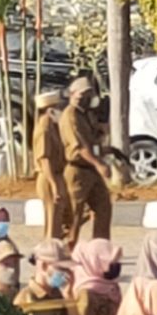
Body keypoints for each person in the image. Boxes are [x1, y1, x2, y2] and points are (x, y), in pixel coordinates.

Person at [61, 78, 115, 244]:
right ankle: (66, 250)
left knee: (103, 206)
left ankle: (99, 249)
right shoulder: (70, 115)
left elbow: (92, 142)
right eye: (82, 94)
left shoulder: (86, 114)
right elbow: (79, 147)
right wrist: (99, 164)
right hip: (78, 170)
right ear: (72, 94)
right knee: (75, 216)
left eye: (88, 93)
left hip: (91, 169)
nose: (86, 97)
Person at [15, 237, 77, 315]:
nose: (66, 274)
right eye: (60, 268)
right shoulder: (26, 298)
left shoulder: (59, 294)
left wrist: (69, 296)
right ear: (43, 266)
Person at [35, 93, 72, 242]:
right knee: (52, 221)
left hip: (57, 176)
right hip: (49, 178)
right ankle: (48, 253)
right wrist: (54, 185)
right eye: (60, 108)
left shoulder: (54, 127)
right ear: (50, 111)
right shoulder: (44, 129)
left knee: (60, 220)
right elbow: (45, 160)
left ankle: (54, 249)